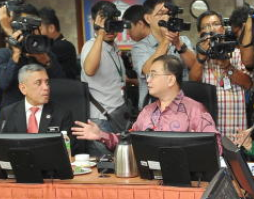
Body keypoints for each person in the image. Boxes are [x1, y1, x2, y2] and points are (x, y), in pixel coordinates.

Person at [72, 55, 218, 152]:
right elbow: (128, 141)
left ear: (170, 80)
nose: (148, 80)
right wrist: (100, 135)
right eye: (148, 75)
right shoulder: (147, 112)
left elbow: (216, 148)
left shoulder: (195, 111)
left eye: (153, 75)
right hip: (148, 181)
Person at [191, 10, 252, 140]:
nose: (211, 29)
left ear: (223, 29)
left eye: (215, 24)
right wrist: (201, 57)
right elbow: (193, 83)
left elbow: (248, 84)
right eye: (206, 26)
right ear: (200, 33)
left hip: (235, 128)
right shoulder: (199, 57)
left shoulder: (237, 54)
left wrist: (228, 66)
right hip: (208, 131)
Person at [0, 3, 66, 107]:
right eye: (24, 27)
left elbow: (62, 84)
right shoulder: (4, 54)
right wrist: (16, 54)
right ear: (15, 27)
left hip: (44, 110)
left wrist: (46, 62)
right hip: (15, 111)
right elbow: (2, 84)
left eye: (33, 27)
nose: (29, 32)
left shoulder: (45, 53)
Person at [131, 0, 200, 109]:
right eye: (161, 13)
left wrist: (178, 44)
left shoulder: (183, 41)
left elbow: (195, 67)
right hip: (154, 110)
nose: (166, 17)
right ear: (148, 18)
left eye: (169, 14)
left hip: (183, 107)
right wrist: (166, 40)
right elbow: (148, 72)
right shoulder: (140, 47)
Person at [81, 1, 129, 135]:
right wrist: (100, 33)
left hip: (117, 112)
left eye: (112, 24)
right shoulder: (91, 46)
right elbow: (89, 70)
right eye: (105, 24)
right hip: (102, 117)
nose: (109, 29)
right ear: (94, 23)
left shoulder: (113, 47)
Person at [0, 64, 74, 147]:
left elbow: (70, 148)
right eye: (38, 83)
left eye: (47, 82)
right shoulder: (8, 113)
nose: (46, 88)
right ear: (23, 88)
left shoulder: (62, 114)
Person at [39, 7, 80, 80]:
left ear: (51, 28)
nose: (37, 33)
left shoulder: (64, 46)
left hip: (65, 86)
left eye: (40, 29)